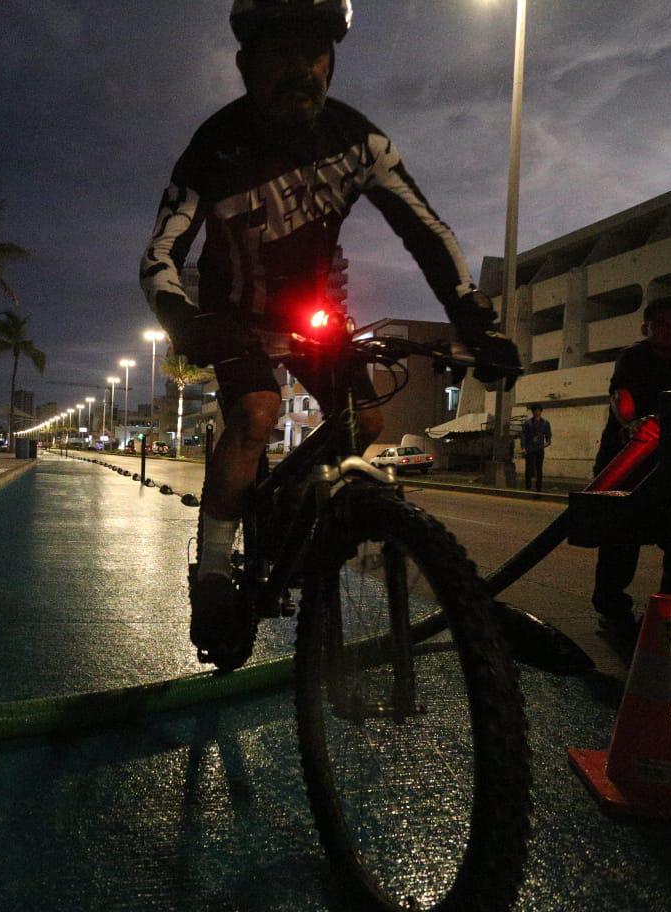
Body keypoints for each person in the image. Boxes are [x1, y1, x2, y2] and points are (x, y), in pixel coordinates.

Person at [140, 0, 520, 666]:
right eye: (283, 52)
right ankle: (208, 576)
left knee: (366, 423)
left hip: (311, 317)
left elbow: (426, 232)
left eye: (317, 54)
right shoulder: (215, 148)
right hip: (236, 322)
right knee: (256, 413)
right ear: (245, 64)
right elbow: (160, 254)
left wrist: (472, 322)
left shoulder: (358, 141)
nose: (303, 70)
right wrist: (185, 321)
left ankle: (287, 506)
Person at [590, 296, 671, 658]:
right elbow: (622, 395)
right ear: (646, 328)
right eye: (661, 324)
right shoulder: (634, 357)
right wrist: (633, 423)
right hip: (625, 463)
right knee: (620, 535)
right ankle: (613, 612)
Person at [520, 405, 551, 492]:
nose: (536, 412)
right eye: (534, 411)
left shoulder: (545, 423)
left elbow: (548, 437)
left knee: (539, 468)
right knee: (528, 468)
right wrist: (523, 447)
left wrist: (545, 444)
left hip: (539, 449)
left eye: (538, 411)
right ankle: (528, 486)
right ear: (532, 412)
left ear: (541, 411)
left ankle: (538, 487)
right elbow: (523, 435)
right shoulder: (527, 423)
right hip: (529, 448)